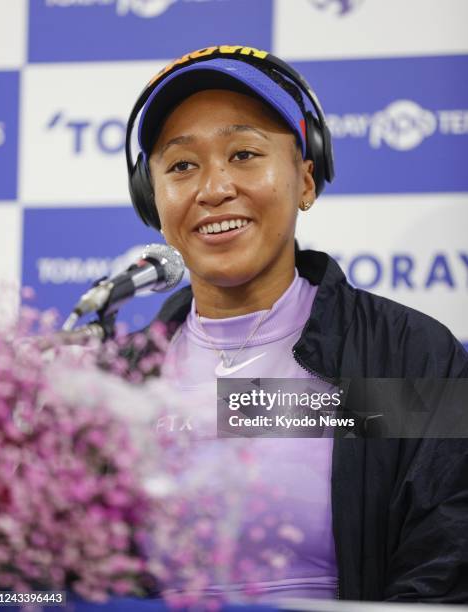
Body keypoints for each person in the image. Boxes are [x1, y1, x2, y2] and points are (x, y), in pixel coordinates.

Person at [123, 45, 468, 603]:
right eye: (182, 165)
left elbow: (447, 562)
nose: (213, 189)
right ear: (152, 200)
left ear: (306, 180)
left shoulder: (407, 353)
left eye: (244, 154)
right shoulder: (116, 377)